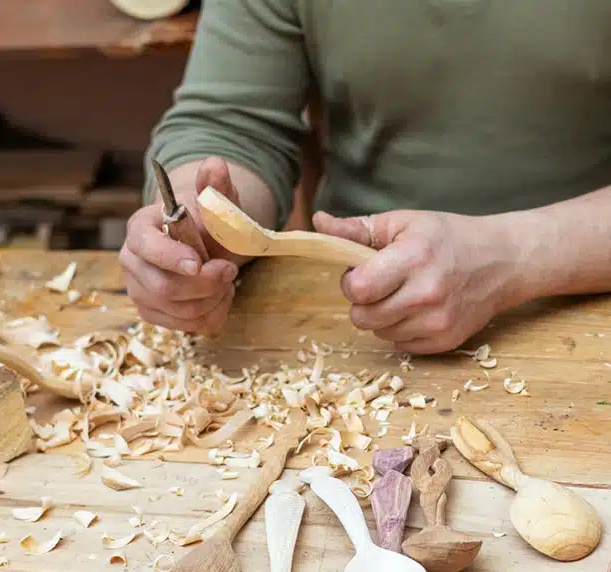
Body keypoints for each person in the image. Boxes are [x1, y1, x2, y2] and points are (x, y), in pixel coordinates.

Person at [119, 0, 611, 354]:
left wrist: (510, 257)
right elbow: (231, 123)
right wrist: (201, 224)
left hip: (584, 306)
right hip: (359, 322)